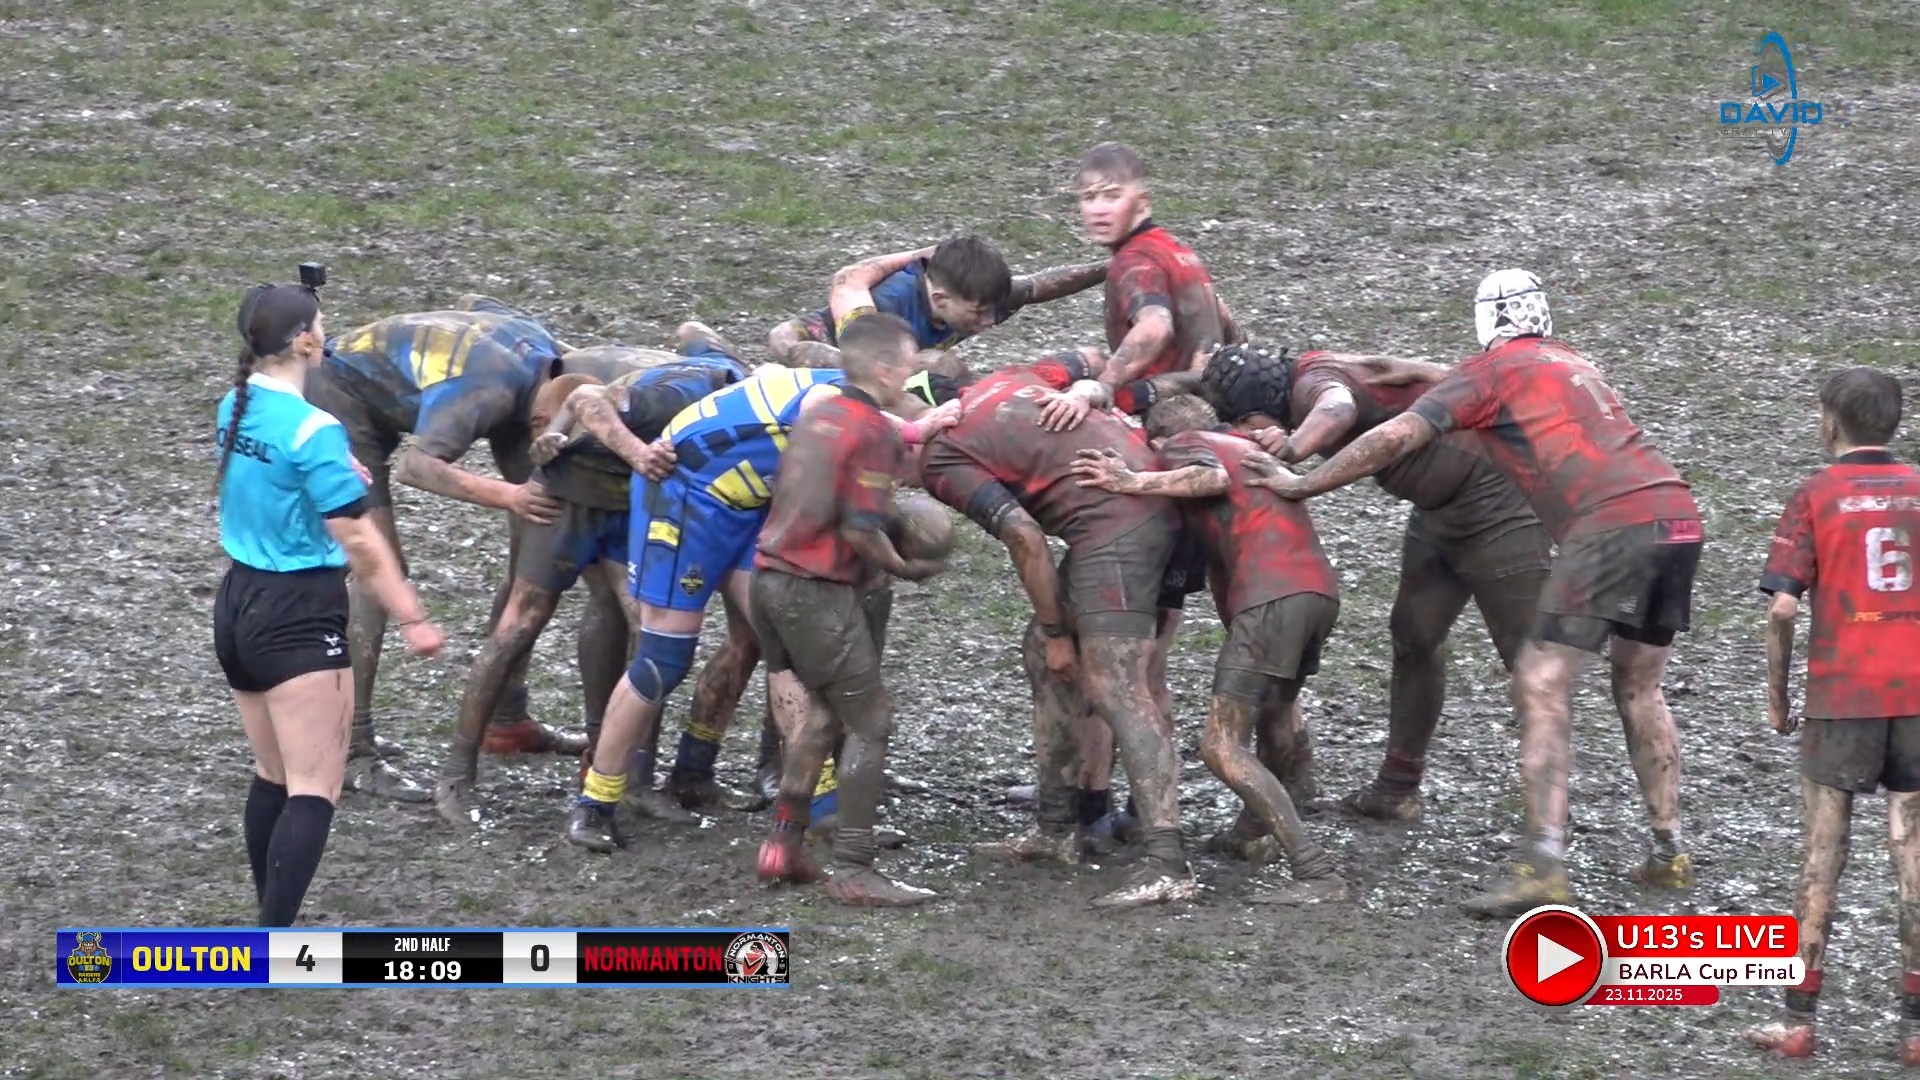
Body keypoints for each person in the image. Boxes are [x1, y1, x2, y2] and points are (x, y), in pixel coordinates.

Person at [1246, 269, 1701, 917]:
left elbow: (1395, 434)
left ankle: (1544, 864)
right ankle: (1668, 851)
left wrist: (1300, 480)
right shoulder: (1574, 362)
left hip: (1611, 524)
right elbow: (1408, 371)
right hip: (1676, 514)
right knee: (1638, 685)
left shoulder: (1491, 375)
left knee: (1540, 682)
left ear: (1486, 322)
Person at [566, 350, 958, 852]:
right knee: (662, 660)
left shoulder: (859, 404)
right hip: (687, 496)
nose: (909, 482)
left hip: (748, 503)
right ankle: (594, 803)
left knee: (788, 647)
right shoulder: (840, 403)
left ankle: (820, 808)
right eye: (917, 470)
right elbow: (825, 409)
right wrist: (914, 435)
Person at [1198, 343, 1553, 821]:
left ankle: (1549, 826)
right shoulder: (1316, 365)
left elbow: (1338, 407)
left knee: (1529, 663)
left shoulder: (1312, 389)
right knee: (1413, 636)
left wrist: (1296, 453)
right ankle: (1397, 786)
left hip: (1500, 503)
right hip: (1440, 512)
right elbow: (1392, 369)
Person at [434, 326, 754, 826]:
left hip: (630, 504)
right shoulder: (686, 392)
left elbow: (694, 330)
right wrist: (621, 449)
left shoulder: (727, 375)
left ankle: (632, 777)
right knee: (519, 625)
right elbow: (584, 395)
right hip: (565, 500)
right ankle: (456, 776)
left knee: (650, 631)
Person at [918, 351, 1196, 909]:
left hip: (1119, 523)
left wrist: (1056, 629)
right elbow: (1095, 362)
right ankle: (1055, 826)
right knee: (1045, 658)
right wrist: (1091, 390)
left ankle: (1168, 862)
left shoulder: (939, 451)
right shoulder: (1008, 379)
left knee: (1117, 686)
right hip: (1148, 497)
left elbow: (1023, 535)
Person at [213, 279, 445, 926]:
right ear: (308, 340)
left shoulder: (232, 406)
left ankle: (267, 920)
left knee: (271, 775)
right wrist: (412, 616)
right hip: (299, 614)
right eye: (322, 321)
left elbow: (276, 482)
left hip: (237, 603)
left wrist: (338, 469)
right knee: (314, 789)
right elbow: (362, 545)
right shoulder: (315, 428)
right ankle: (270, 945)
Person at [306, 295, 591, 805]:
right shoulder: (486, 391)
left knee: (537, 548)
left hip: (466, 388)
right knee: (380, 566)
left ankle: (506, 718)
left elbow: (476, 301)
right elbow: (420, 467)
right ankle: (350, 748)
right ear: (536, 417)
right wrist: (511, 494)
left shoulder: (550, 354)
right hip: (343, 395)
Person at [1072, 394, 1347, 903]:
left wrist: (1133, 481)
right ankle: (1249, 833)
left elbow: (1208, 478)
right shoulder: (1244, 449)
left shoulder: (1185, 444)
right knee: (1276, 720)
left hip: (1270, 598)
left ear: (1156, 440)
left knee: (1220, 746)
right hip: (1316, 594)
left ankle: (1315, 870)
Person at [1744, 368, 1920, 1063]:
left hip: (1842, 696)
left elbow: (1783, 606)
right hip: (1916, 696)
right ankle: (1914, 1029)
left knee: (1823, 858)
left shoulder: (1815, 495)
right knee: (1912, 856)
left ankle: (1798, 1020)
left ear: (1828, 421)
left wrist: (1779, 694)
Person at [749, 314, 943, 904]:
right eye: (910, 361)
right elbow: (860, 530)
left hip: (769, 580)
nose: (915, 370)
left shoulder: (821, 411)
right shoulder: (873, 431)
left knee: (828, 713)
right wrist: (907, 564)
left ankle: (782, 847)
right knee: (871, 719)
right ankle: (856, 868)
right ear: (884, 370)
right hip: (815, 590)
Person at [767, 236, 1108, 376]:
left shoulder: (976, 294)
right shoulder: (888, 307)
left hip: (892, 363)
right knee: (935, 365)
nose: (990, 321)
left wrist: (1111, 266)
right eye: (979, 313)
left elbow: (1038, 285)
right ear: (940, 299)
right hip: (844, 352)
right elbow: (847, 281)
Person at [1062, 142, 1240, 409]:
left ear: (1142, 202)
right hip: (1219, 400)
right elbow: (1223, 315)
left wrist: (1107, 383)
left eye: (1112, 196)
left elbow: (1156, 327)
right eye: (1089, 197)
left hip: (1182, 412)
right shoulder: (1174, 248)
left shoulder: (1135, 259)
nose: (1099, 209)